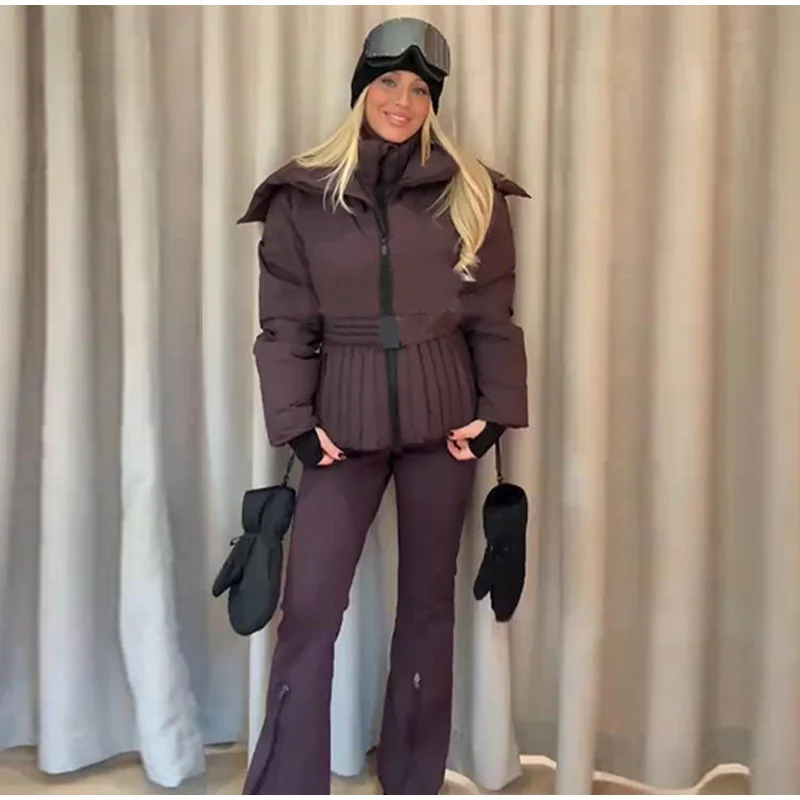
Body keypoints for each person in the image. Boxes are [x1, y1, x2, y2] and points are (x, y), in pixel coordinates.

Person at [237, 16, 529, 795]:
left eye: (420, 90)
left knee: (429, 608)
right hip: (342, 426)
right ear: (361, 87)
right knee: (309, 609)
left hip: (445, 427)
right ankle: (287, 786)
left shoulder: (471, 190)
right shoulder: (303, 195)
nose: (402, 101)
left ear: (435, 101)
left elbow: (493, 314)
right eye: (388, 82)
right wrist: (296, 426)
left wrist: (494, 413)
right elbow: (284, 323)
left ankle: (412, 780)